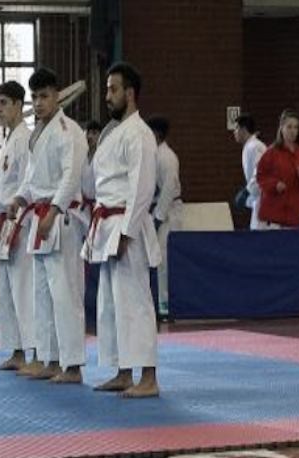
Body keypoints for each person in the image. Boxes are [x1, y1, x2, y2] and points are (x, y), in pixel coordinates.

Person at [82, 61, 161, 398]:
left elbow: (143, 189)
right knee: (111, 304)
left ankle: (149, 378)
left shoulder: (140, 134)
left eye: (113, 90)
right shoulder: (114, 133)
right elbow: (95, 184)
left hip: (127, 227)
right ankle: (123, 370)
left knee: (136, 301)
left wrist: (127, 233)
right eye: (107, 89)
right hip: (107, 224)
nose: (107, 96)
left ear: (130, 94)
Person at [8, 67, 88, 384]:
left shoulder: (70, 131)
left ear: (57, 96)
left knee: (65, 293)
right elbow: (30, 180)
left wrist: (53, 212)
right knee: (42, 294)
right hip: (40, 219)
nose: (39, 103)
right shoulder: (39, 134)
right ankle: (48, 358)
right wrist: (18, 199)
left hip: (61, 219)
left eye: (44, 96)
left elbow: (70, 177)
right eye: (34, 98)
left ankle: (73, 366)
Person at [0, 81, 40, 372]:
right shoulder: (8, 140)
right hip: (4, 222)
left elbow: (29, 181)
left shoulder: (26, 139)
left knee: (24, 289)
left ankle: (35, 352)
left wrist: (15, 204)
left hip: (21, 221)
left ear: (17, 104)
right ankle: (15, 352)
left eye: (3, 103)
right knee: (5, 290)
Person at [256, 109, 299, 229]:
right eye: (289, 127)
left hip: (297, 212)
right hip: (274, 213)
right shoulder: (271, 153)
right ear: (281, 128)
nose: (293, 131)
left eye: (296, 128)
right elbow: (260, 176)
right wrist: (274, 184)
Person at [147, 114, 182, 315]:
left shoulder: (166, 157)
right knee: (158, 258)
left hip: (168, 211)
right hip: (160, 208)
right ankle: (161, 302)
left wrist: (158, 218)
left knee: (164, 259)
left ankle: (165, 304)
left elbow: (168, 189)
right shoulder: (157, 155)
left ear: (157, 134)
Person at [233, 113, 266, 230]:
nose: (234, 132)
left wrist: (247, 191)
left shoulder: (254, 147)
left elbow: (260, 172)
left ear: (243, 130)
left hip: (264, 199)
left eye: (236, 128)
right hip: (259, 198)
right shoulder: (251, 146)